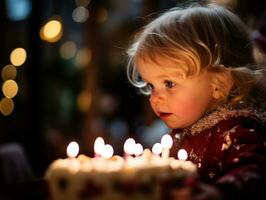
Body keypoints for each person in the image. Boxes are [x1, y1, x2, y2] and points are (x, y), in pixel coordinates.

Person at [126, 2, 266, 200]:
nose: (155, 98)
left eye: (169, 83)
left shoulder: (235, 132)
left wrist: (219, 193)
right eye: (151, 86)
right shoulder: (189, 128)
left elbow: (256, 173)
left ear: (219, 84)